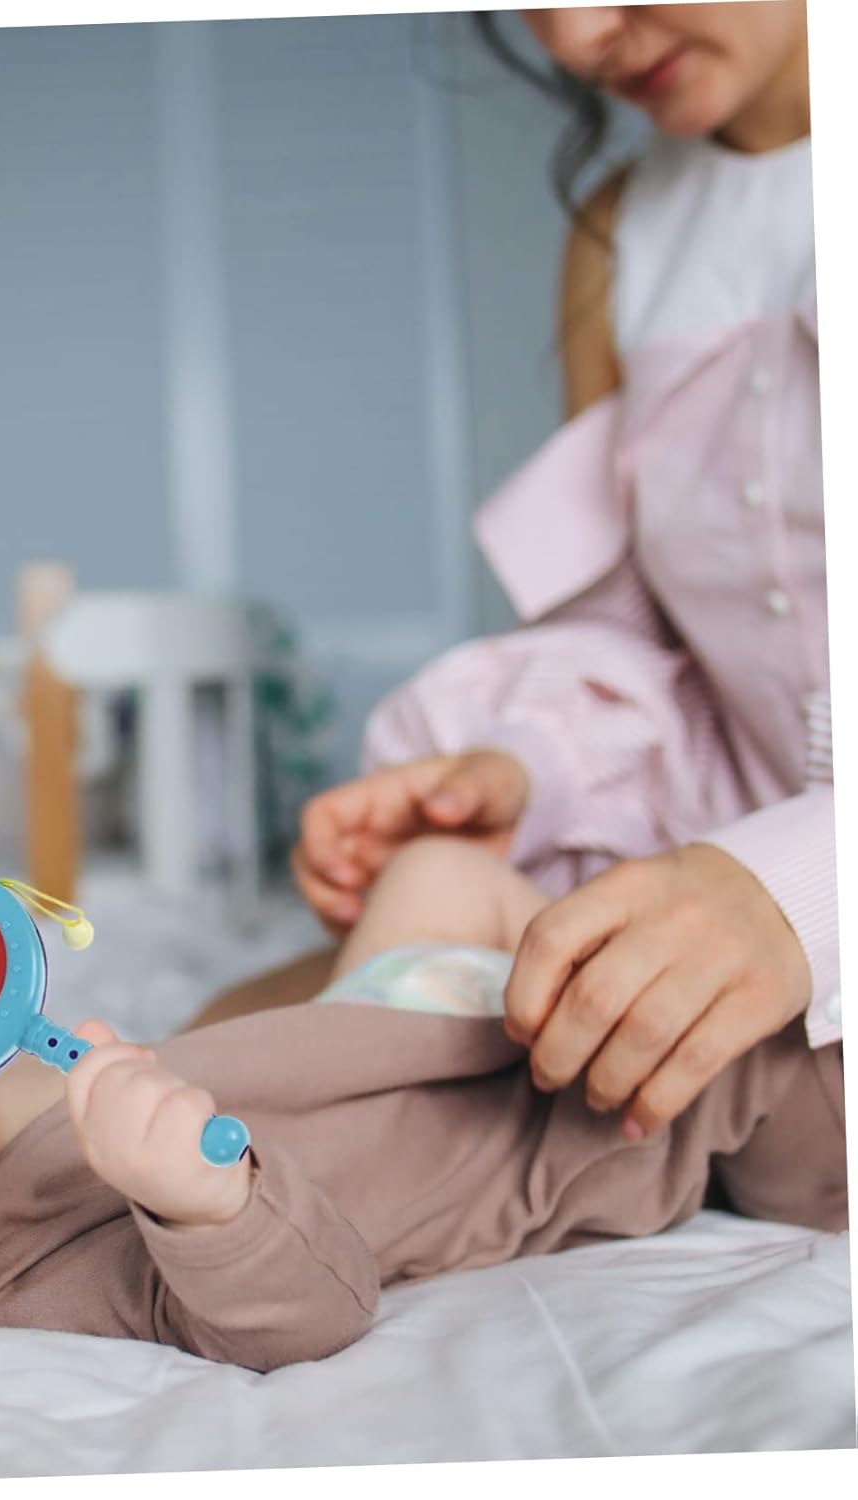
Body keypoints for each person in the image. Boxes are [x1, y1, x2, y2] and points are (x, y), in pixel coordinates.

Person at [0, 835, 846, 1375]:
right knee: (790, 1084)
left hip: (393, 1019)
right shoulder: (21, 1298)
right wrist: (202, 1203)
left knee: (434, 876)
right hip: (589, 1112)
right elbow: (312, 1309)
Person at [190, 3, 838, 1145]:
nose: (578, 36)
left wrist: (794, 891)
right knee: (235, 1038)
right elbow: (633, 642)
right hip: (705, 875)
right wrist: (527, 771)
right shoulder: (620, 237)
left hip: (785, 902)